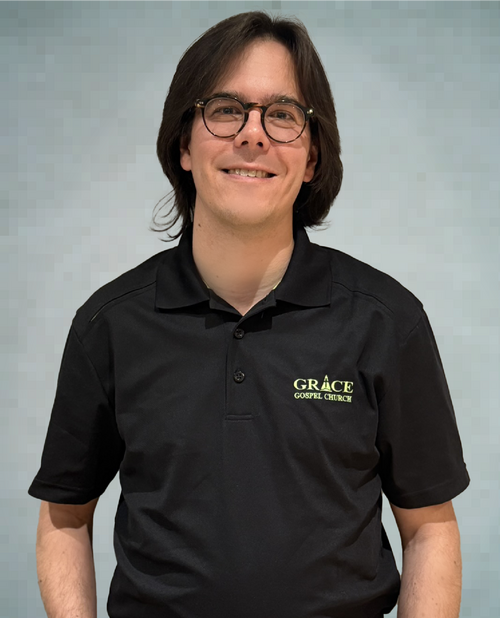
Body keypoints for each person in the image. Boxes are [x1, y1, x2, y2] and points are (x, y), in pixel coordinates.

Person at [29, 11, 469, 618]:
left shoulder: (387, 322)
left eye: (283, 115)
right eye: (225, 109)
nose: (253, 135)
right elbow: (65, 516)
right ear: (184, 145)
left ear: (312, 158)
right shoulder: (109, 325)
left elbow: (429, 528)